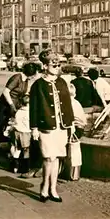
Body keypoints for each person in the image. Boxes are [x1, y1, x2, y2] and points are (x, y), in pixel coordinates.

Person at [30, 49, 74, 203]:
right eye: (53, 65)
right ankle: (44, 187)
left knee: (56, 159)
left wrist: (71, 124)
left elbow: (68, 104)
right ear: (45, 66)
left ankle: (53, 189)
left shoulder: (62, 82)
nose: (57, 67)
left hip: (61, 127)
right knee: (48, 158)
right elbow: (33, 107)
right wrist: (34, 127)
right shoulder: (38, 85)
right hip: (46, 126)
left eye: (58, 65)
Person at [0, 63, 37, 149]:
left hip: (15, 105)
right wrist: (11, 105)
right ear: (30, 73)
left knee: (12, 125)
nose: (33, 77)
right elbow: (6, 92)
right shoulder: (17, 77)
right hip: (5, 105)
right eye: (33, 75)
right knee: (4, 125)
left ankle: (11, 143)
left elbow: (23, 93)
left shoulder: (26, 80)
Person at [9, 93, 31, 177]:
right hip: (25, 133)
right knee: (26, 150)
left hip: (16, 132)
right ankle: (25, 167)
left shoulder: (18, 112)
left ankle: (15, 166)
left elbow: (15, 121)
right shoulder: (29, 113)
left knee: (17, 149)